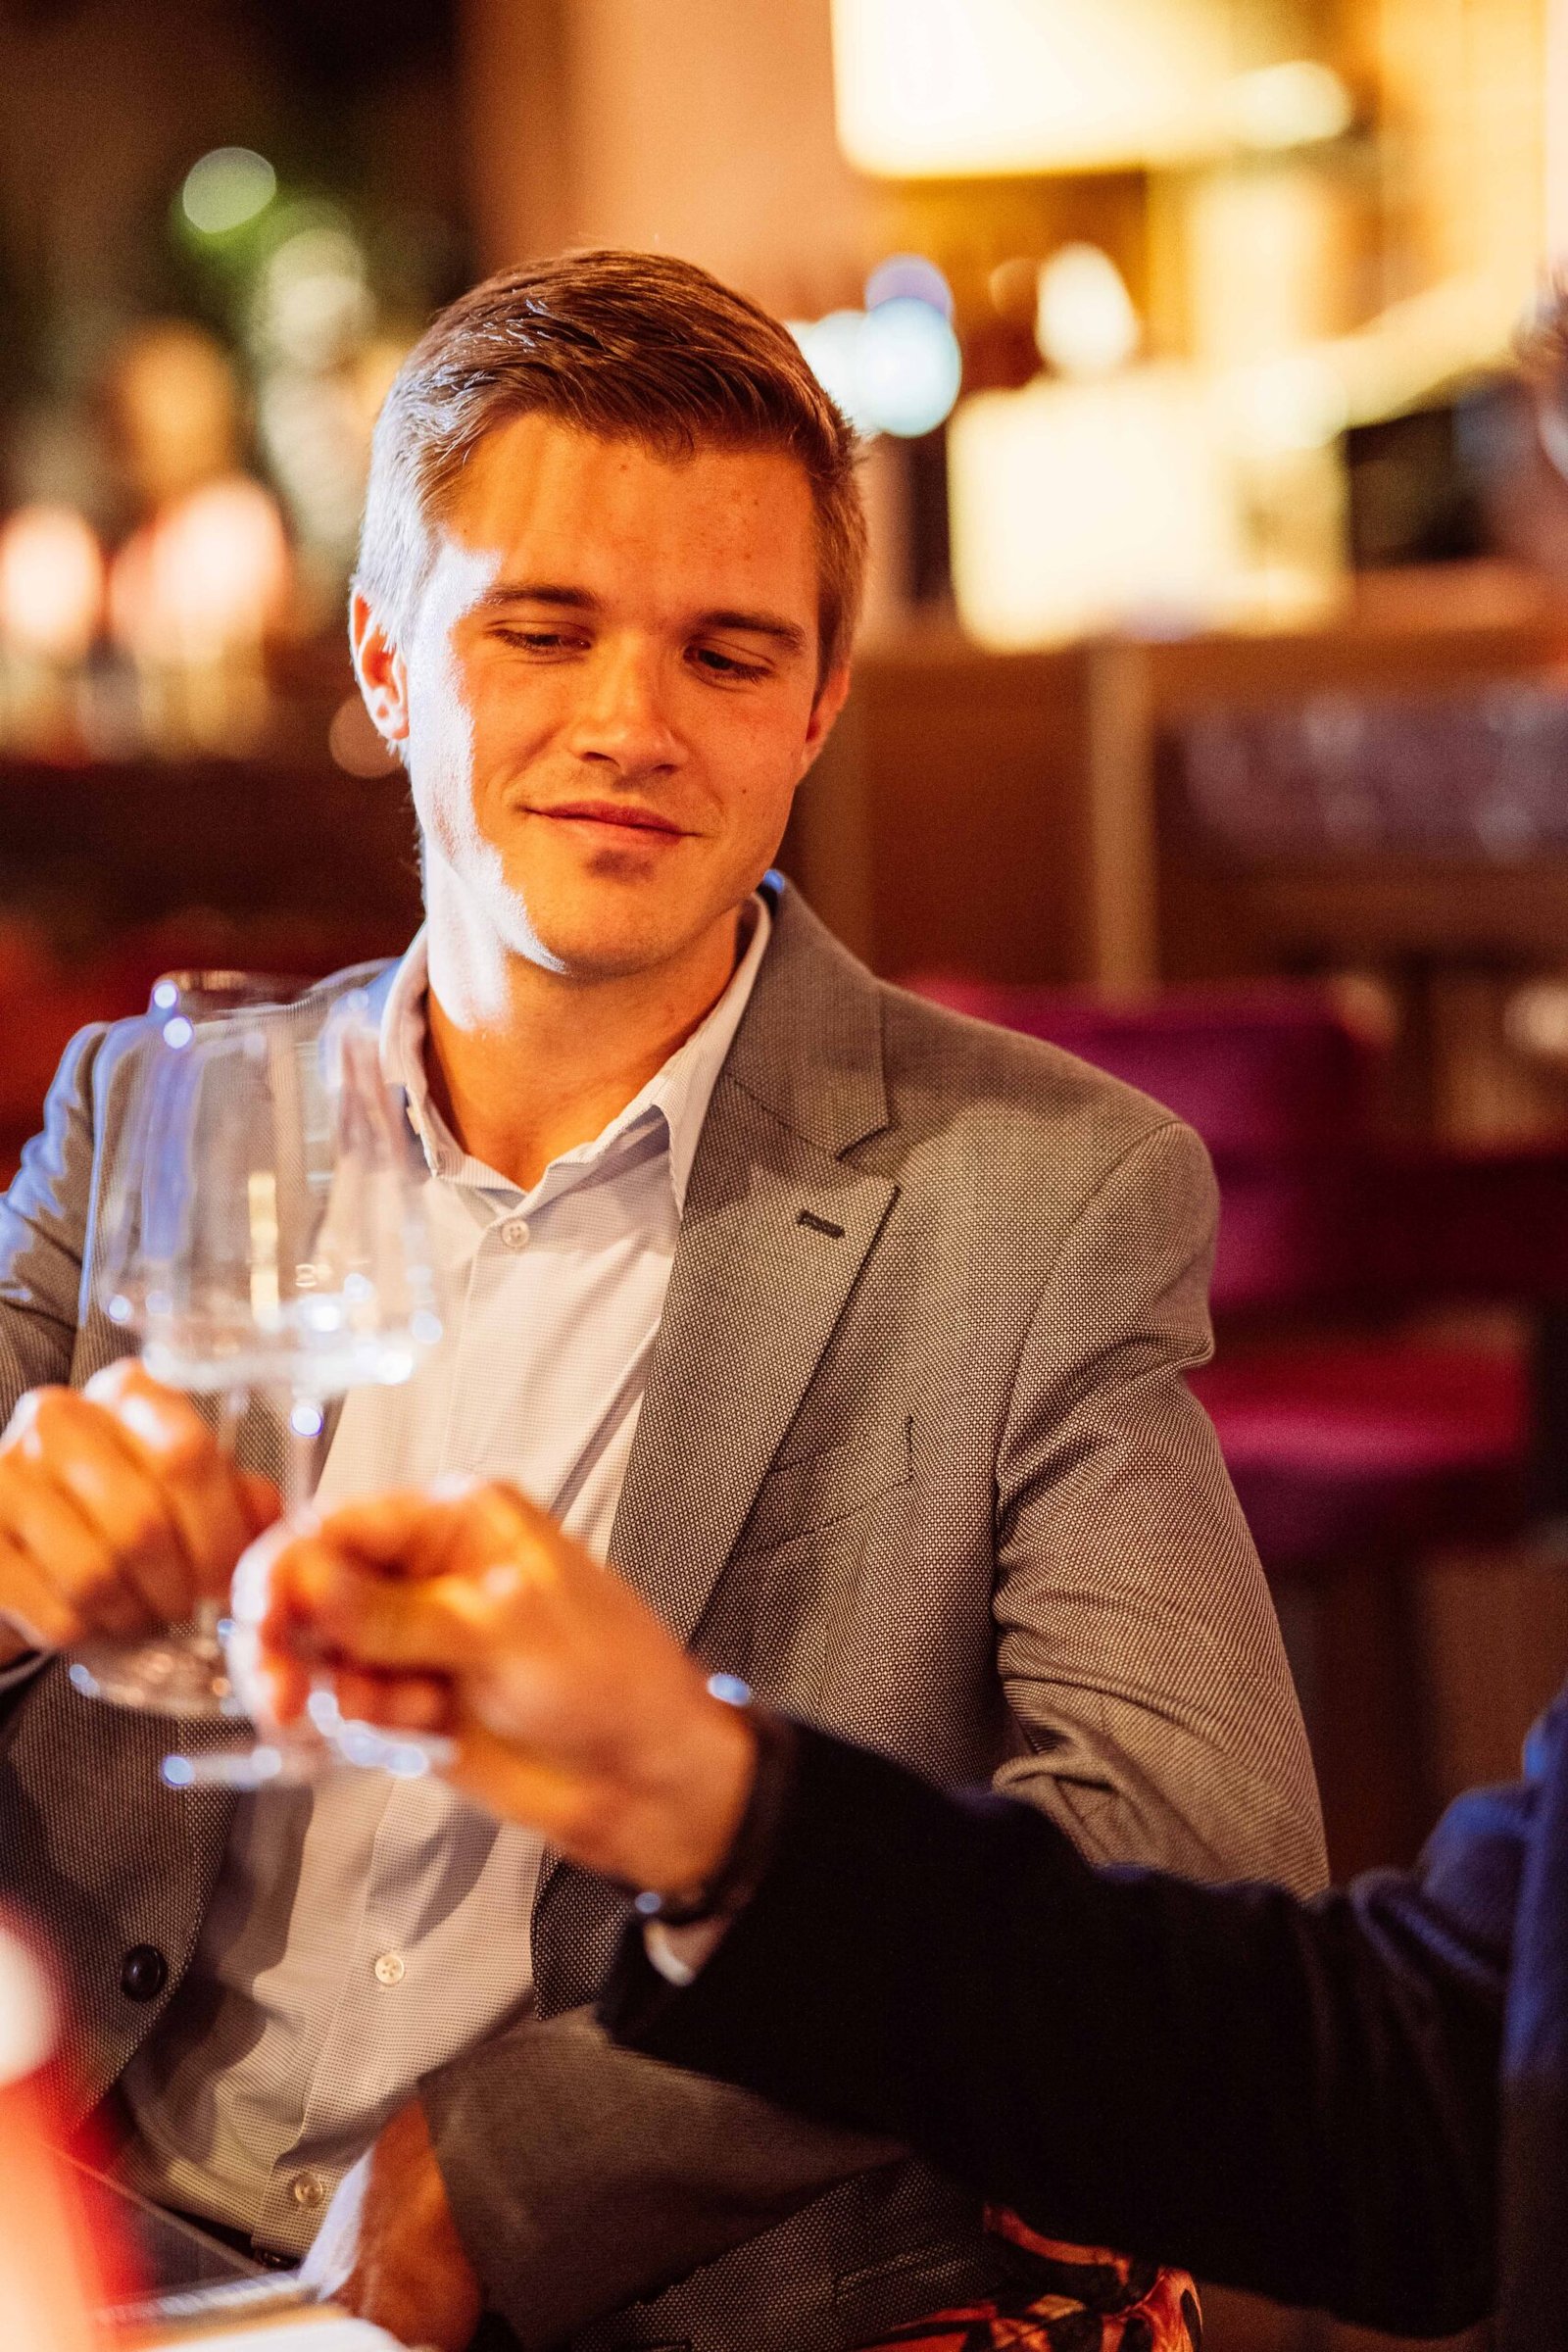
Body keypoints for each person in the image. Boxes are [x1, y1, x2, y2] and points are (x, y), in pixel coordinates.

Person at [0, 251, 1323, 2352]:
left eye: (725, 652)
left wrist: (542, 2165)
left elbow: (1191, 1860)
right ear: (386, 658)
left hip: (629, 2297)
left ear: (816, 703)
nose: (630, 725)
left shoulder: (1043, 1196)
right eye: (540, 630)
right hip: (82, 2219)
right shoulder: (150, 1118)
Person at [239, 1474, 1556, 2352]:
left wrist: (507, 2162)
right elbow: (1427, 2093)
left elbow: (1213, 1851)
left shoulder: (1047, 1206)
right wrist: (708, 1802)